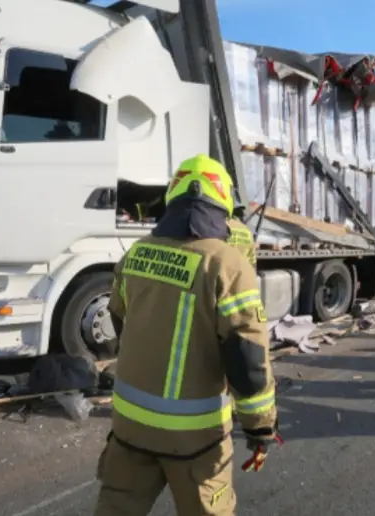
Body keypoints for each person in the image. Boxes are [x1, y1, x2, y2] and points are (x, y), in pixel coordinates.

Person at [95, 154, 278, 516]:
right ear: (223, 199)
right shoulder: (225, 263)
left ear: (173, 195)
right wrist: (260, 428)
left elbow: (118, 320)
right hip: (195, 439)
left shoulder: (137, 252)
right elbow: (247, 358)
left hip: (129, 428)